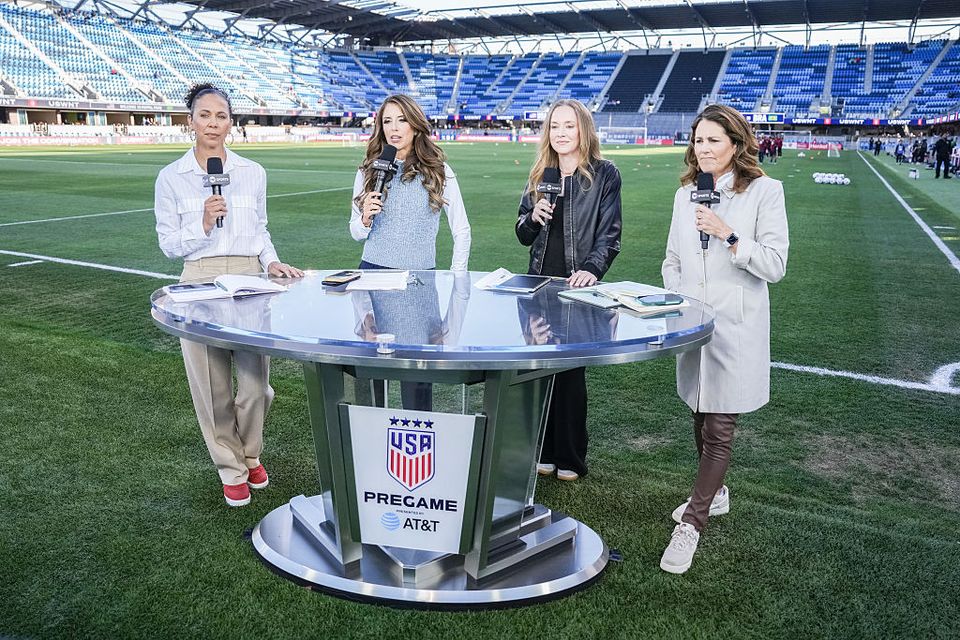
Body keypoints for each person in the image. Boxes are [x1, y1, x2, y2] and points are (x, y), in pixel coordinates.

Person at [154, 83, 303, 507]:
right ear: (190, 121)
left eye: (221, 116)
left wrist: (271, 262)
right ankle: (231, 467)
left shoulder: (253, 172)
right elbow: (168, 245)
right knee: (211, 386)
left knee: (257, 387)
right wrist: (202, 223)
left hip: (248, 277)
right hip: (198, 279)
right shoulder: (171, 177)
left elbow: (261, 230)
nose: (213, 123)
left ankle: (250, 452)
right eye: (204, 115)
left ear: (231, 123)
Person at [659, 104, 789, 574]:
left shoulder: (765, 191)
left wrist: (729, 235)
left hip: (736, 326)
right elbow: (672, 259)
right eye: (699, 140)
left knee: (719, 426)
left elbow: (775, 264)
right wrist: (679, 298)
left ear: (736, 144)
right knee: (698, 410)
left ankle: (692, 523)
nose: (704, 148)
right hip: (694, 323)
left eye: (714, 140)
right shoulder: (685, 195)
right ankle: (716, 494)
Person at [515, 98, 622, 481]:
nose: (561, 133)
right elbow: (522, 234)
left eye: (569, 126)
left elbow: (610, 234)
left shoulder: (605, 174)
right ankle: (543, 450)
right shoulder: (539, 175)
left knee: (570, 375)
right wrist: (533, 216)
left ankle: (571, 457)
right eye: (555, 126)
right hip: (539, 284)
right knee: (539, 371)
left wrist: (592, 269)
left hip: (577, 286)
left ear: (583, 130)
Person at [349, 94, 471, 410]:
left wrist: (457, 278)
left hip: (418, 285)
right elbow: (356, 232)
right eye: (387, 121)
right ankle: (370, 437)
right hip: (372, 279)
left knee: (416, 386)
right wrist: (365, 218)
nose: (394, 128)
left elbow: (462, 230)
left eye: (401, 120)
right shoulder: (368, 171)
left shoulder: (439, 170)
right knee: (371, 379)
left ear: (415, 125)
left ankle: (416, 440)